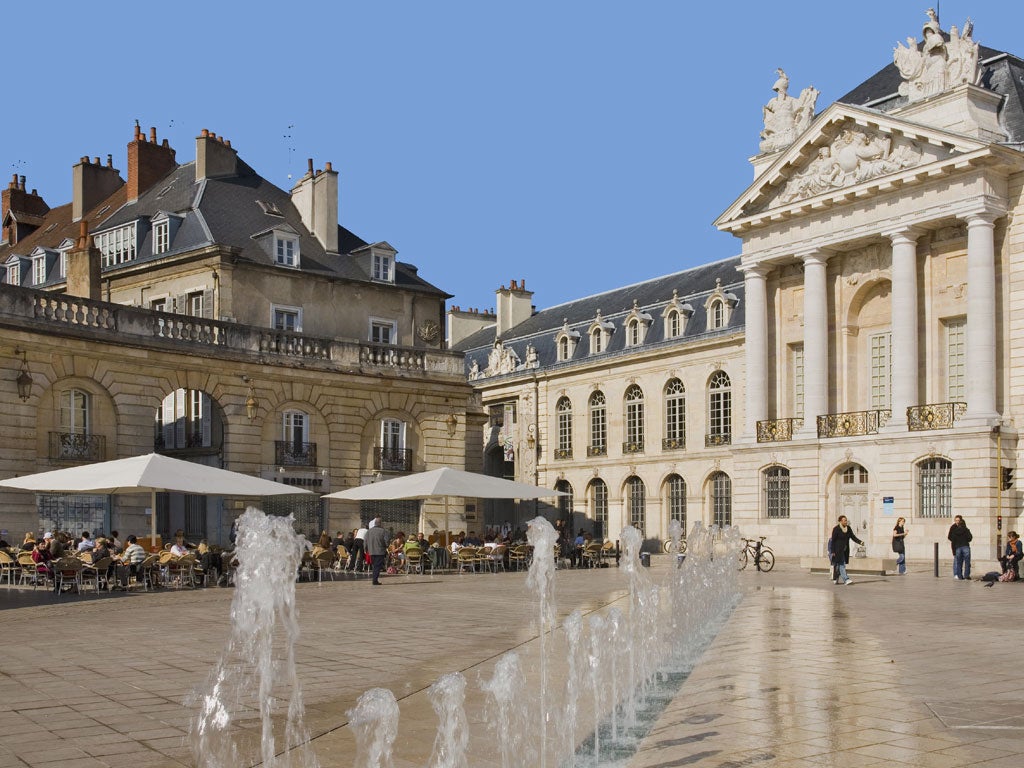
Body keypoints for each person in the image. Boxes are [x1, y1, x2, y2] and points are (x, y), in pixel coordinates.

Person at [829, 515, 864, 585]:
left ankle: (835, 578)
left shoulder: (848, 528)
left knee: (839, 565)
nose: (846, 521)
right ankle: (846, 579)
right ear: (840, 521)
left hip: (845, 550)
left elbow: (853, 537)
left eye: (846, 520)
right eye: (844, 520)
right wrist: (832, 551)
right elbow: (833, 541)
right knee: (842, 564)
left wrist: (860, 542)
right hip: (837, 550)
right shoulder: (836, 529)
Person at [364, 517, 388, 586]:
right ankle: (375, 580)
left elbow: (365, 541)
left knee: (374, 565)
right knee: (377, 566)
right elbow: (386, 541)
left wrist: (365, 549)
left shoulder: (369, 531)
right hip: (380, 551)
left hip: (371, 551)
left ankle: (374, 579)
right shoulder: (383, 531)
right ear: (380, 523)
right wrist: (385, 546)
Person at [948, 515, 973, 580]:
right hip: (965, 546)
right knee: (967, 562)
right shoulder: (966, 529)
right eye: (956, 520)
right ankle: (966, 575)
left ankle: (959, 576)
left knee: (959, 562)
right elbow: (970, 538)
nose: (957, 522)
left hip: (958, 547)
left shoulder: (954, 531)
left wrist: (956, 544)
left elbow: (952, 538)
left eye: (958, 520)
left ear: (960, 521)